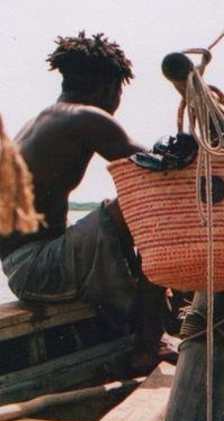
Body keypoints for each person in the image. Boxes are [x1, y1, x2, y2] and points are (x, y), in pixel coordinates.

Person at [0, 32, 165, 365]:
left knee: (135, 204)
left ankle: (141, 322)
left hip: (22, 269)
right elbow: (158, 167)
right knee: (146, 202)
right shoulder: (85, 118)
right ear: (109, 88)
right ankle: (148, 343)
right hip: (39, 269)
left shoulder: (45, 119)